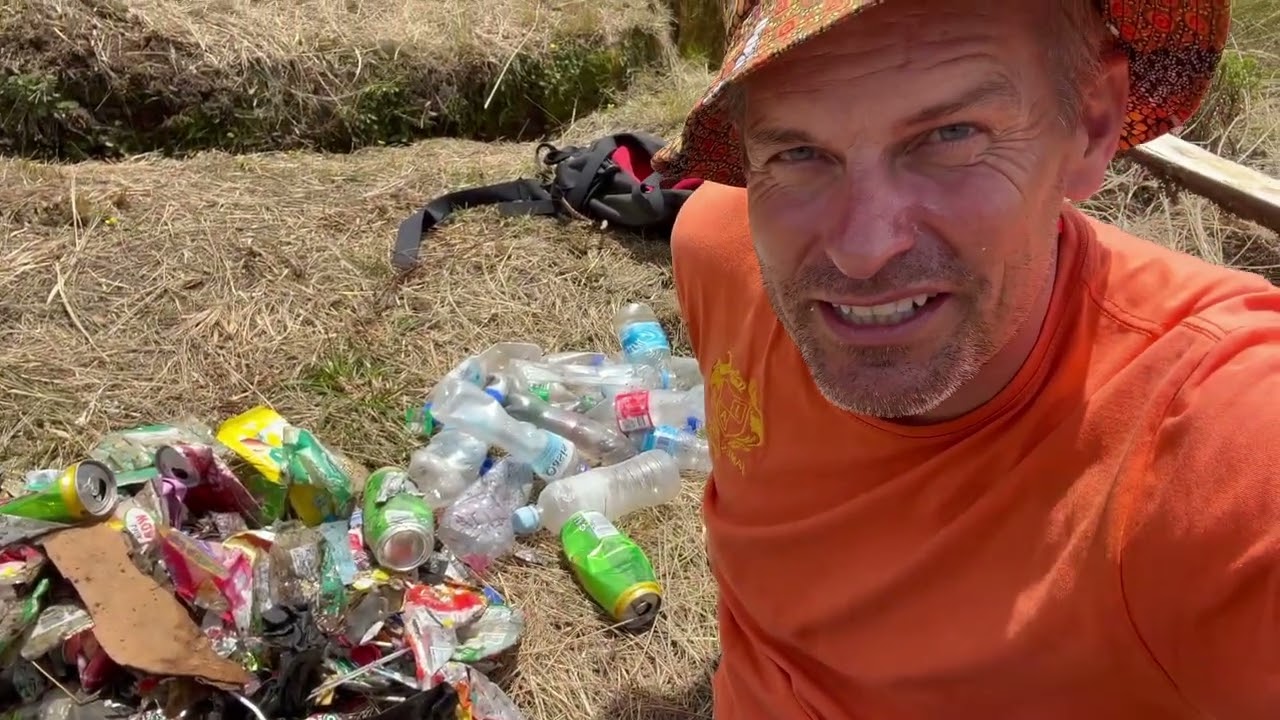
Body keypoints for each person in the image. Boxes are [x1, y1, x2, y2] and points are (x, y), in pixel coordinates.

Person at [651, 0, 1279, 718]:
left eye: (949, 135)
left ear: (1092, 122)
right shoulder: (719, 251)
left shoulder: (1220, 441)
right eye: (798, 152)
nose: (860, 251)